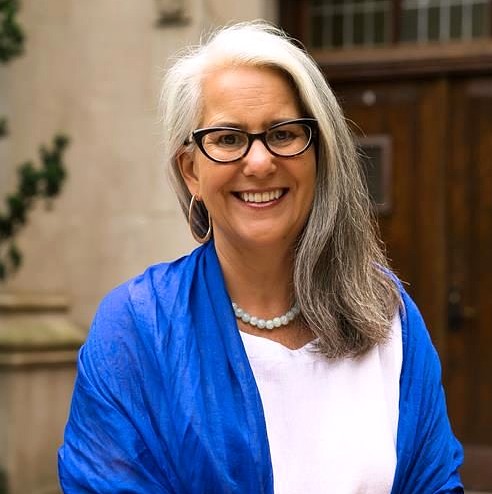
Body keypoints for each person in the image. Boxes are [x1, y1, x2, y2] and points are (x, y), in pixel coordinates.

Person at [58, 21, 463, 493]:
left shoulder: (388, 315)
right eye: (228, 138)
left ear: (319, 153)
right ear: (191, 170)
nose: (259, 162)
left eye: (284, 133)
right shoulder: (137, 329)